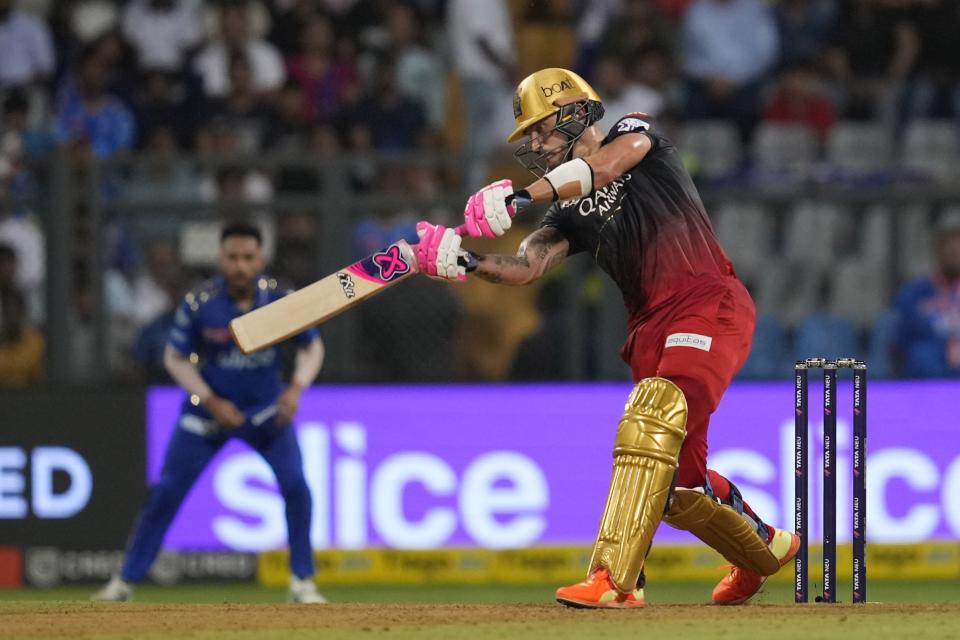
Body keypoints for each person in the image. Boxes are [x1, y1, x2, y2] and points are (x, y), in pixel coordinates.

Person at [413, 68, 799, 607]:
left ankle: (616, 581)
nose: (533, 144)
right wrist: (468, 262)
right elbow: (527, 266)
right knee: (677, 488)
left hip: (707, 304)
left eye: (541, 130)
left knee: (652, 415)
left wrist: (522, 196)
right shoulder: (566, 209)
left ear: (575, 114)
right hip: (649, 330)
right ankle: (764, 549)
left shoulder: (636, 133)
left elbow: (605, 166)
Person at [93, 222, 326, 603]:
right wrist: (211, 400)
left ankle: (302, 582)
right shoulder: (201, 303)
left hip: (268, 414)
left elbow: (311, 347)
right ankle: (124, 582)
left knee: (297, 486)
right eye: (232, 258)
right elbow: (175, 358)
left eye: (248, 258)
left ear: (261, 260)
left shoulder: (281, 301)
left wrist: (297, 388)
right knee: (166, 491)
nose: (240, 266)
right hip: (208, 416)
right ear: (220, 259)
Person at [890, 213, 960, 378]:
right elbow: (898, 346)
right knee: (922, 355)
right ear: (938, 248)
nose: (954, 249)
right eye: (948, 243)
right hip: (927, 383)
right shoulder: (914, 293)